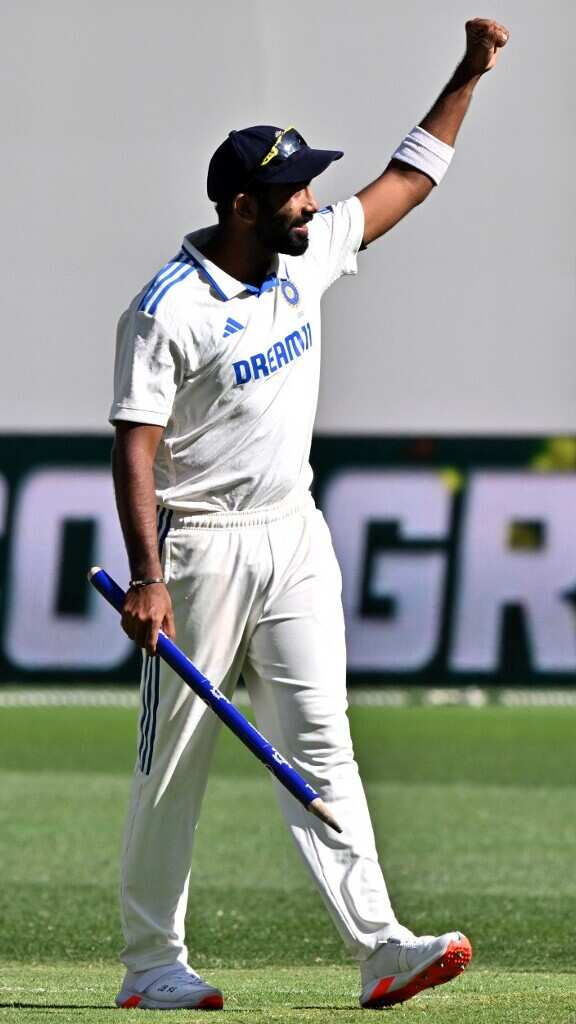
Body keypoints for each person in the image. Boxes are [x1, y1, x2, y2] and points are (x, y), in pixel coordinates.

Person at [109, 17, 509, 1011]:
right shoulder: (168, 307)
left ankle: (381, 945)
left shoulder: (309, 252)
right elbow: (135, 444)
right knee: (176, 767)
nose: (313, 201)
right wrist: (149, 576)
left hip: (296, 532)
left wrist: (468, 74)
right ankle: (151, 965)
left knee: (321, 738)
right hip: (198, 549)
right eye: (293, 189)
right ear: (242, 204)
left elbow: (408, 179)